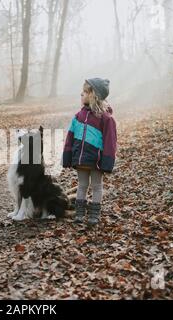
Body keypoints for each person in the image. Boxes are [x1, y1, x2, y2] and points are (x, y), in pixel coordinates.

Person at [62, 78, 117, 226]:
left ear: (94, 95)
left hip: (97, 160)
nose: (82, 94)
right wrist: (67, 156)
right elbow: (70, 137)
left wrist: (107, 161)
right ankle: (79, 214)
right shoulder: (78, 117)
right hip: (81, 159)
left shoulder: (106, 118)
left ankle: (94, 215)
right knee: (82, 185)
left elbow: (110, 142)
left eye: (85, 92)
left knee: (97, 186)